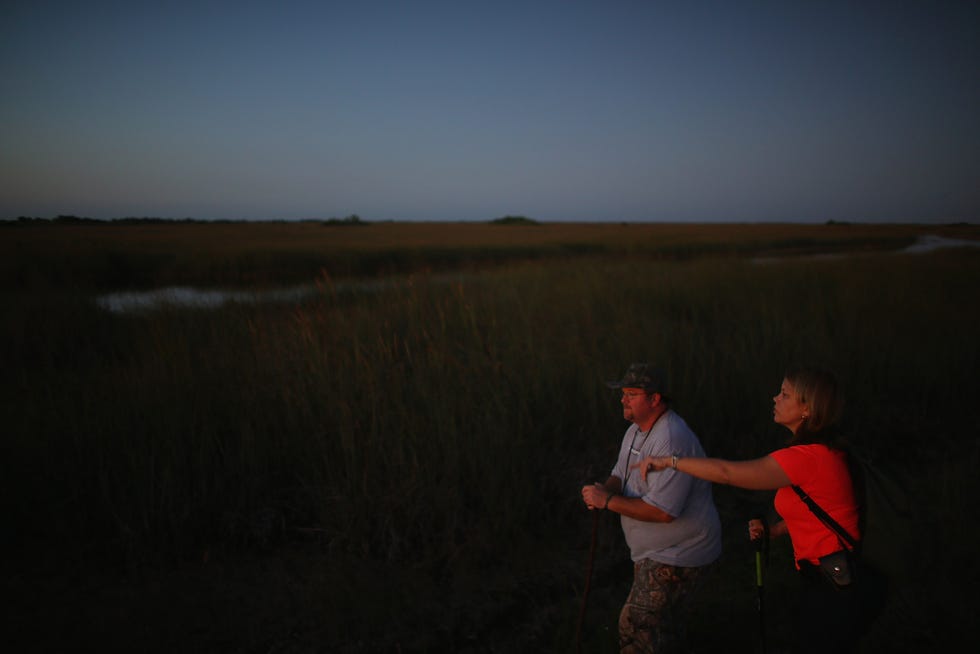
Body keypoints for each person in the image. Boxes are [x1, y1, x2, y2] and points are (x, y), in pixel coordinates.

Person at [633, 365, 872, 653]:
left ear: (807, 409)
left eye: (785, 394)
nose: (775, 398)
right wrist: (774, 530)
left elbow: (727, 473)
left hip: (832, 589)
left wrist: (671, 461)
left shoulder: (808, 458)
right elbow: (817, 512)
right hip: (826, 580)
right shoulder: (822, 451)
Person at [581, 362, 722, 654]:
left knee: (636, 625)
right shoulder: (635, 430)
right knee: (663, 633)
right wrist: (605, 490)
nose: (623, 399)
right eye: (623, 393)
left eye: (631, 394)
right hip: (657, 553)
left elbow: (663, 512)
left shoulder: (671, 438)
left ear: (654, 399)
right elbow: (620, 474)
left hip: (679, 554)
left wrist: (606, 501)